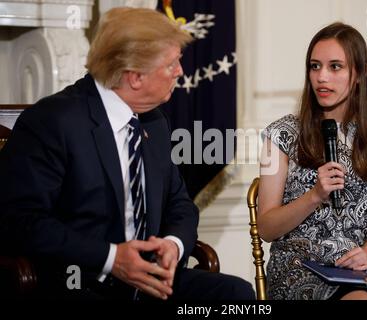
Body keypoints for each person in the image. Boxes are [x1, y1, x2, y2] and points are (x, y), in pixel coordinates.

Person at [0, 7, 254, 300]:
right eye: (172, 64)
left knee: (235, 295)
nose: (180, 72)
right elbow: (21, 221)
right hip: (79, 280)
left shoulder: (154, 121)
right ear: (135, 77)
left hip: (148, 282)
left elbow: (180, 205)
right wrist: (112, 258)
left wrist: (172, 244)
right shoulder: (54, 121)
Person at [258, 22, 367, 300]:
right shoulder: (280, 134)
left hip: (357, 266)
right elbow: (266, 227)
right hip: (299, 267)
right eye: (315, 66)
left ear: (358, 74)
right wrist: (314, 195)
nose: (321, 77)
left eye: (335, 67)